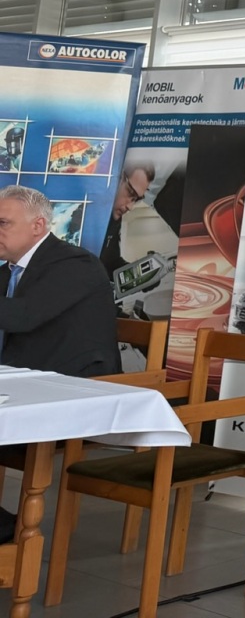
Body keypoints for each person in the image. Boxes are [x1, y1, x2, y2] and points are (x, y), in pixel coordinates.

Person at [0, 184, 121, 541]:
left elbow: (22, 317)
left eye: (3, 223)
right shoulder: (10, 269)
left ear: (38, 226)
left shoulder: (74, 264)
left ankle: (7, 528)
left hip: (75, 389)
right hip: (27, 382)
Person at [101, 161, 155, 275]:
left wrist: (138, 273)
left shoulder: (115, 220)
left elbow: (111, 262)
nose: (130, 207)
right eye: (130, 193)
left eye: (136, 199)